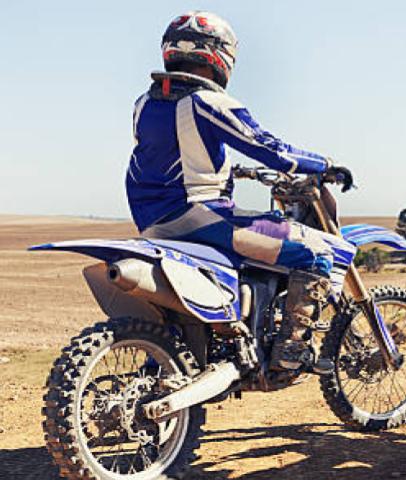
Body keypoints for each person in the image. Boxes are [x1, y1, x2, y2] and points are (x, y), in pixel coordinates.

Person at [125, 11, 352, 374]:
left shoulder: (146, 103)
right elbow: (268, 148)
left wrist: (229, 170)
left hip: (153, 222)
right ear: (220, 55)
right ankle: (292, 350)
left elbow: (173, 154)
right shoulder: (207, 102)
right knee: (316, 253)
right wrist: (322, 164)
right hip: (201, 218)